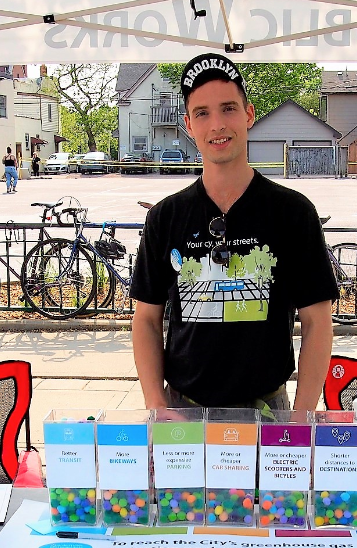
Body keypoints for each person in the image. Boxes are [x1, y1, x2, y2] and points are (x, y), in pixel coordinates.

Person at [129, 53, 338, 413]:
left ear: (249, 114)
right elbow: (146, 318)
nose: (217, 125)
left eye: (228, 108)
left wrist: (302, 416)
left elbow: (317, 321)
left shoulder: (292, 213)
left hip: (268, 412)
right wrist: (156, 403)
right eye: (202, 113)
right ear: (188, 124)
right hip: (184, 411)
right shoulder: (166, 217)